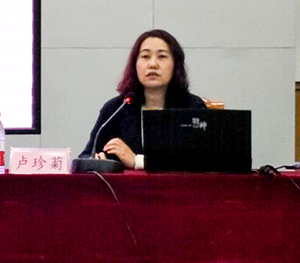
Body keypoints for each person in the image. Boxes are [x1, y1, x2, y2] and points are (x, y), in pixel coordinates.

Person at [79, 29, 206, 169]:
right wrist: (97, 162)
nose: (153, 64)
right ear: (135, 64)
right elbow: (85, 157)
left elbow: (204, 161)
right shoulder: (116, 108)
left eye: (162, 56)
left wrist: (137, 161)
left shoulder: (192, 107)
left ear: (175, 64)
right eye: (145, 56)